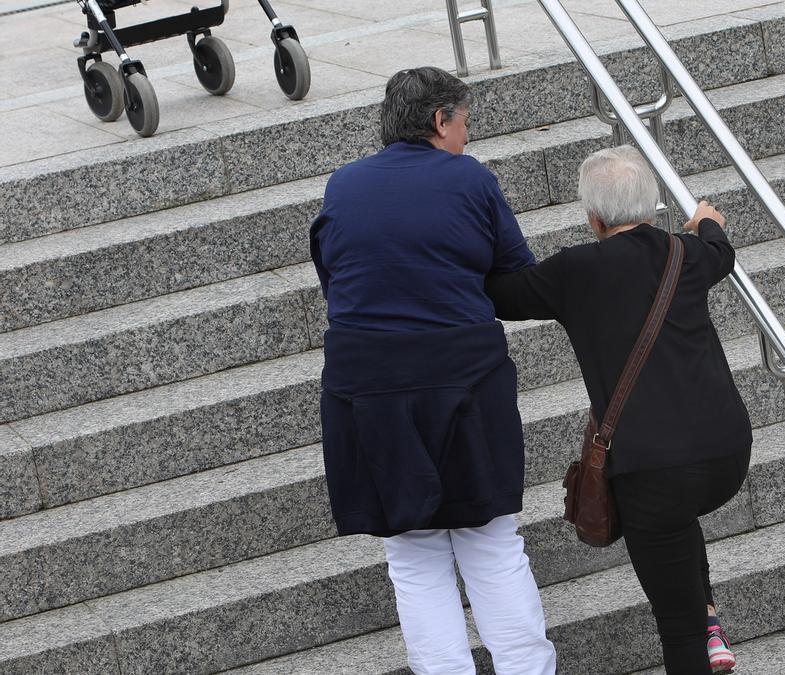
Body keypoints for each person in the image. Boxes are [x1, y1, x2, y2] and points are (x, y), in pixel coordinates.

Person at [309, 66, 556, 675]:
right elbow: (516, 276)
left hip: (365, 383)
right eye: (464, 124)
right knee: (491, 543)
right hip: (461, 374)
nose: (466, 139)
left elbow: (337, 280)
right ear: (440, 120)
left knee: (414, 555)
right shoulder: (468, 178)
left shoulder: (343, 184)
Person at [485, 145, 753, 674]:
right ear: (652, 207)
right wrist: (705, 222)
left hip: (652, 469)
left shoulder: (573, 271)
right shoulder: (687, 254)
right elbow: (722, 251)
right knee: (678, 523)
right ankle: (709, 619)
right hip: (726, 454)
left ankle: (699, 626)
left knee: (679, 636)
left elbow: (500, 295)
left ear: (593, 217)